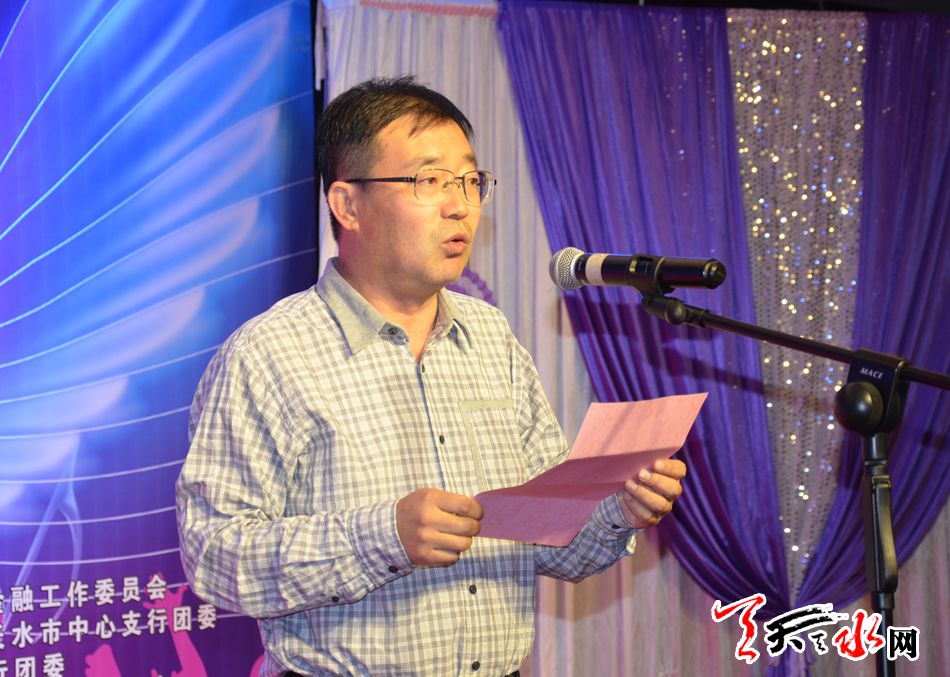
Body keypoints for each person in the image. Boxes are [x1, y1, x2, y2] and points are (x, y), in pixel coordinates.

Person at [176, 76, 687, 677]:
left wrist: (617, 509)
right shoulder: (269, 353)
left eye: (470, 181)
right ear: (347, 205)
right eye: (430, 181)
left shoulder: (490, 337)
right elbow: (215, 557)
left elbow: (552, 538)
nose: (460, 205)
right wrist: (384, 537)